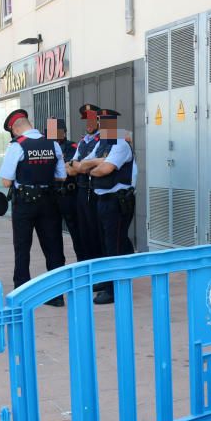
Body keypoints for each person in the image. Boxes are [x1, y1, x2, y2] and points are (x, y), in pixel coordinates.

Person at [0, 108, 67, 306]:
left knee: (22, 248)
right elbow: (62, 176)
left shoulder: (17, 146)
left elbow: (5, 182)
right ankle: (56, 296)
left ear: (16, 129)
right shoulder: (53, 144)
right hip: (49, 201)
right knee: (53, 247)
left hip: (25, 203)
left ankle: (23, 293)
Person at [71, 108, 136, 305]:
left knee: (113, 246)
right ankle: (109, 280)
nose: (104, 126)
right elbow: (80, 165)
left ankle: (113, 289)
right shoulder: (101, 144)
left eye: (107, 122)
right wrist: (97, 163)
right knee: (107, 243)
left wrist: (94, 167)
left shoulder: (120, 143)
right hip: (103, 200)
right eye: (101, 122)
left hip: (117, 201)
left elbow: (104, 170)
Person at [66, 103, 103, 263]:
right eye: (86, 120)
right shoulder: (83, 141)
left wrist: (79, 165)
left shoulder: (108, 137)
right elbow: (71, 169)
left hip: (96, 191)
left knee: (97, 234)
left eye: (92, 120)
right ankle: (88, 270)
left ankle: (100, 274)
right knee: (84, 234)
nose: (88, 124)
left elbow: (80, 165)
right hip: (81, 191)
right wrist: (81, 166)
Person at [47, 117, 85, 262]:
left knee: (77, 233)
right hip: (51, 196)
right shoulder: (46, 147)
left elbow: (70, 170)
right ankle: (57, 268)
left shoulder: (72, 146)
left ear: (63, 132)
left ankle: (82, 263)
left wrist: (55, 167)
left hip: (68, 195)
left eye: (55, 131)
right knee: (52, 235)